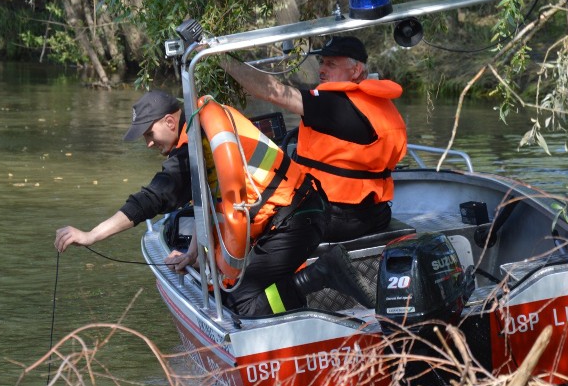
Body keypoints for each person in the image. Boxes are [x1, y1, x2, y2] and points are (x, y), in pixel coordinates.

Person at [54, 89, 379, 316]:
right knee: (245, 290)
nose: (148, 143)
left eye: (148, 133)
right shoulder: (205, 130)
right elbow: (208, 202)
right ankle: (297, 304)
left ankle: (323, 274)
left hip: (297, 219)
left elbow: (149, 200)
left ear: (170, 121)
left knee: (242, 303)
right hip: (294, 213)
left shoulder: (195, 148)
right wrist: (194, 253)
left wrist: (91, 235)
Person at [221, 35, 407, 242]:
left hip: (336, 216)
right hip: (375, 211)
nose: (322, 69)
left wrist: (220, 57)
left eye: (331, 64)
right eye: (322, 62)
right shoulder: (377, 103)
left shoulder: (334, 105)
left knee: (257, 220)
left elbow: (273, 92)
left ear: (355, 71)